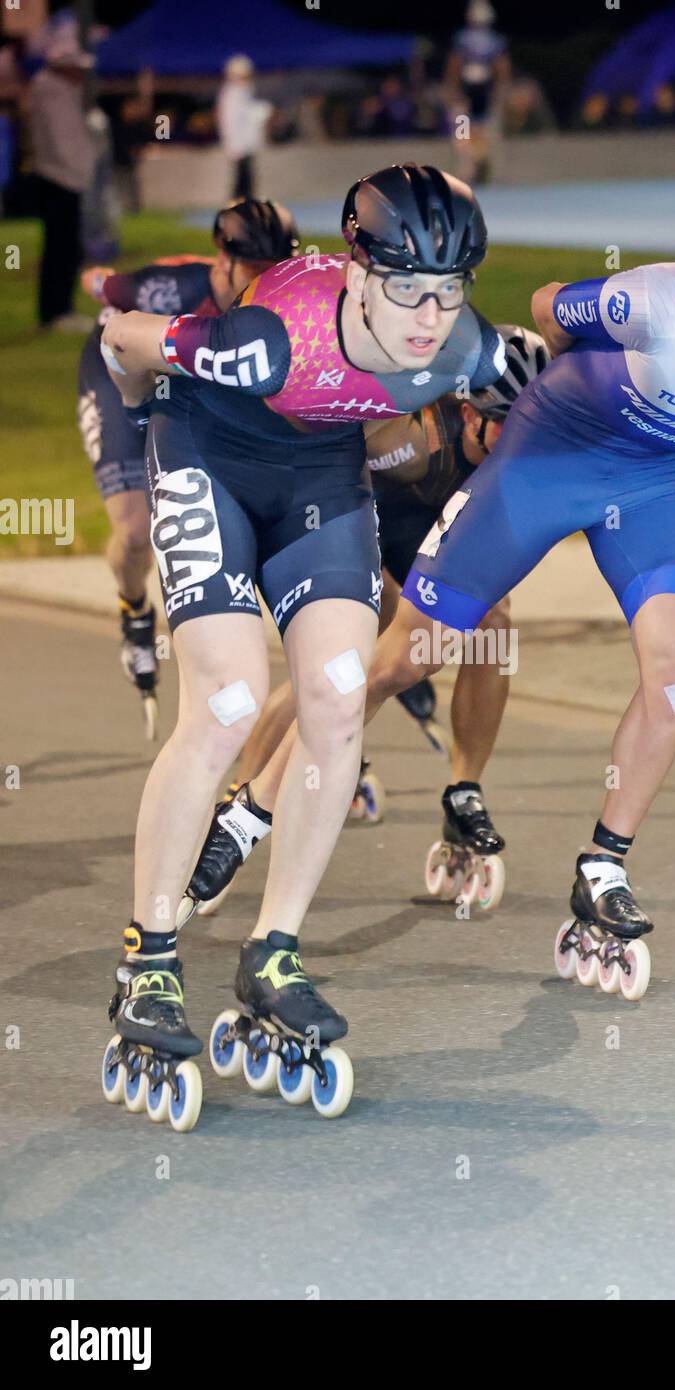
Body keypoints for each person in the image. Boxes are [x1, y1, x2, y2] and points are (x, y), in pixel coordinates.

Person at [362, 184, 675, 1000]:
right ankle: (260, 800)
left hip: (652, 479)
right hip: (553, 446)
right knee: (408, 659)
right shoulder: (669, 298)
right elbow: (547, 308)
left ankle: (602, 865)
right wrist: (587, 380)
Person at [98, 164, 504, 1131]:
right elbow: (122, 336)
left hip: (321, 475)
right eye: (407, 288)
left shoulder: (466, 347)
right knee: (232, 699)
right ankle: (150, 958)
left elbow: (538, 386)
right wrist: (146, 412)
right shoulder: (263, 340)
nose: (427, 317)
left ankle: (273, 950)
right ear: (360, 272)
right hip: (207, 453)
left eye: (449, 292)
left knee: (332, 691)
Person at [172, 327, 551, 922]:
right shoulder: (407, 435)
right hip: (358, 512)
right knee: (341, 660)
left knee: (494, 624)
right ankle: (238, 805)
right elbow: (322, 480)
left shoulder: (527, 449)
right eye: (505, 424)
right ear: (469, 410)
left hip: (441, 527)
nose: (517, 441)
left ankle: (464, 788)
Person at [77, 199, 300, 738]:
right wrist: (111, 281)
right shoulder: (169, 286)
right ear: (222, 260)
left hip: (189, 381)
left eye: (276, 270)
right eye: (253, 272)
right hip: (118, 372)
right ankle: (134, 609)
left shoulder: (284, 298)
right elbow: (97, 283)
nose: (265, 284)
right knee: (134, 531)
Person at [27, 35, 95, 331]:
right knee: (62, 248)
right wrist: (81, 171)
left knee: (63, 246)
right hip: (61, 179)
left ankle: (57, 309)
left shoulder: (53, 89)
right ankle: (57, 311)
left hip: (62, 177)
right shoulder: (52, 91)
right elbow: (64, 140)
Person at [445, 0, 510, 185]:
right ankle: (469, 171)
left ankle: (478, 170)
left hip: (480, 94)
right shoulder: (468, 38)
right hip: (472, 95)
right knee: (466, 132)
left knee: (476, 132)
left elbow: (501, 68)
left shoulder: (490, 39)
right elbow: (456, 65)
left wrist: (499, 92)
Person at [216, 55, 272, 200]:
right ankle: (238, 210)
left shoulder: (244, 92)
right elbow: (230, 123)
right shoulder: (232, 94)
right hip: (239, 146)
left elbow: (250, 116)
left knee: (247, 181)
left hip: (246, 145)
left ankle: (245, 209)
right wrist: (233, 146)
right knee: (242, 182)